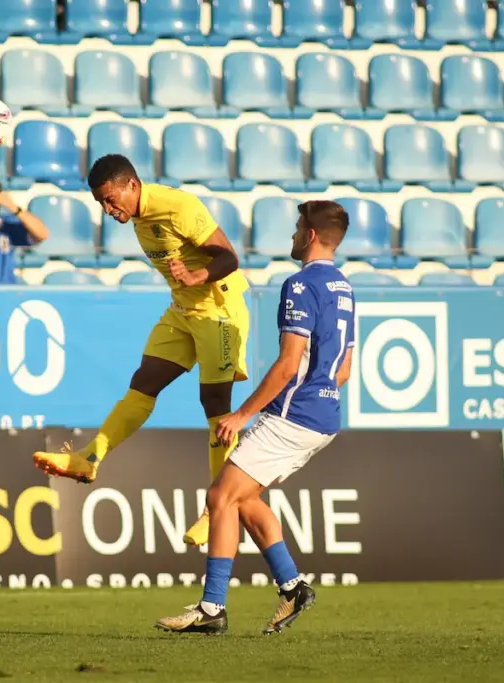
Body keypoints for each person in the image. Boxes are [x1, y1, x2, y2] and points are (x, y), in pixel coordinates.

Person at [156, 200, 355, 636]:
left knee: (220, 498)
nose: (292, 236)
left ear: (312, 236)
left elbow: (288, 364)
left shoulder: (301, 285)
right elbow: (344, 369)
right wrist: (317, 399)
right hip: (325, 415)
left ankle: (212, 608)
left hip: (293, 414)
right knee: (244, 499)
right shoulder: (344, 287)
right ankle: (292, 585)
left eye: (298, 228)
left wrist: (243, 415)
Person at [32, 154, 250, 547]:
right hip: (183, 308)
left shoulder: (179, 207)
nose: (108, 209)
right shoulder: (136, 216)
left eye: (111, 199)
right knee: (143, 383)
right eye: (100, 203)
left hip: (218, 309)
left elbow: (229, 257)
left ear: (132, 185)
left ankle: (217, 507)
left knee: (215, 405)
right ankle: (90, 458)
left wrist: (197, 274)